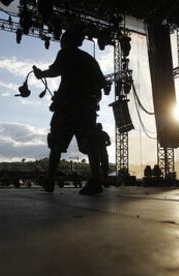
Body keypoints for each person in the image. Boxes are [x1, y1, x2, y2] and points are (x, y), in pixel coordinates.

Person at [33, 30, 107, 195]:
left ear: (66, 42)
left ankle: (50, 180)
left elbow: (55, 71)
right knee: (91, 143)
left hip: (67, 107)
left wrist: (41, 74)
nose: (60, 44)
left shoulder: (65, 53)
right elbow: (102, 83)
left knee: (56, 143)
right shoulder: (90, 59)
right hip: (87, 108)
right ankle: (96, 180)